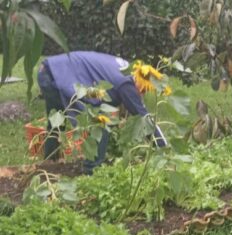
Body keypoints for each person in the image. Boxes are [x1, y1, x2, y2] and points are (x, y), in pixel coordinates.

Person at [37, 51, 167, 174]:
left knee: (56, 123)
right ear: (141, 84)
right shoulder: (127, 84)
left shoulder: (129, 70)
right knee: (99, 125)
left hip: (51, 70)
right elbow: (143, 118)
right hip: (59, 75)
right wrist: (163, 147)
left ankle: (49, 164)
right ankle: (92, 172)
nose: (142, 95)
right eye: (143, 91)